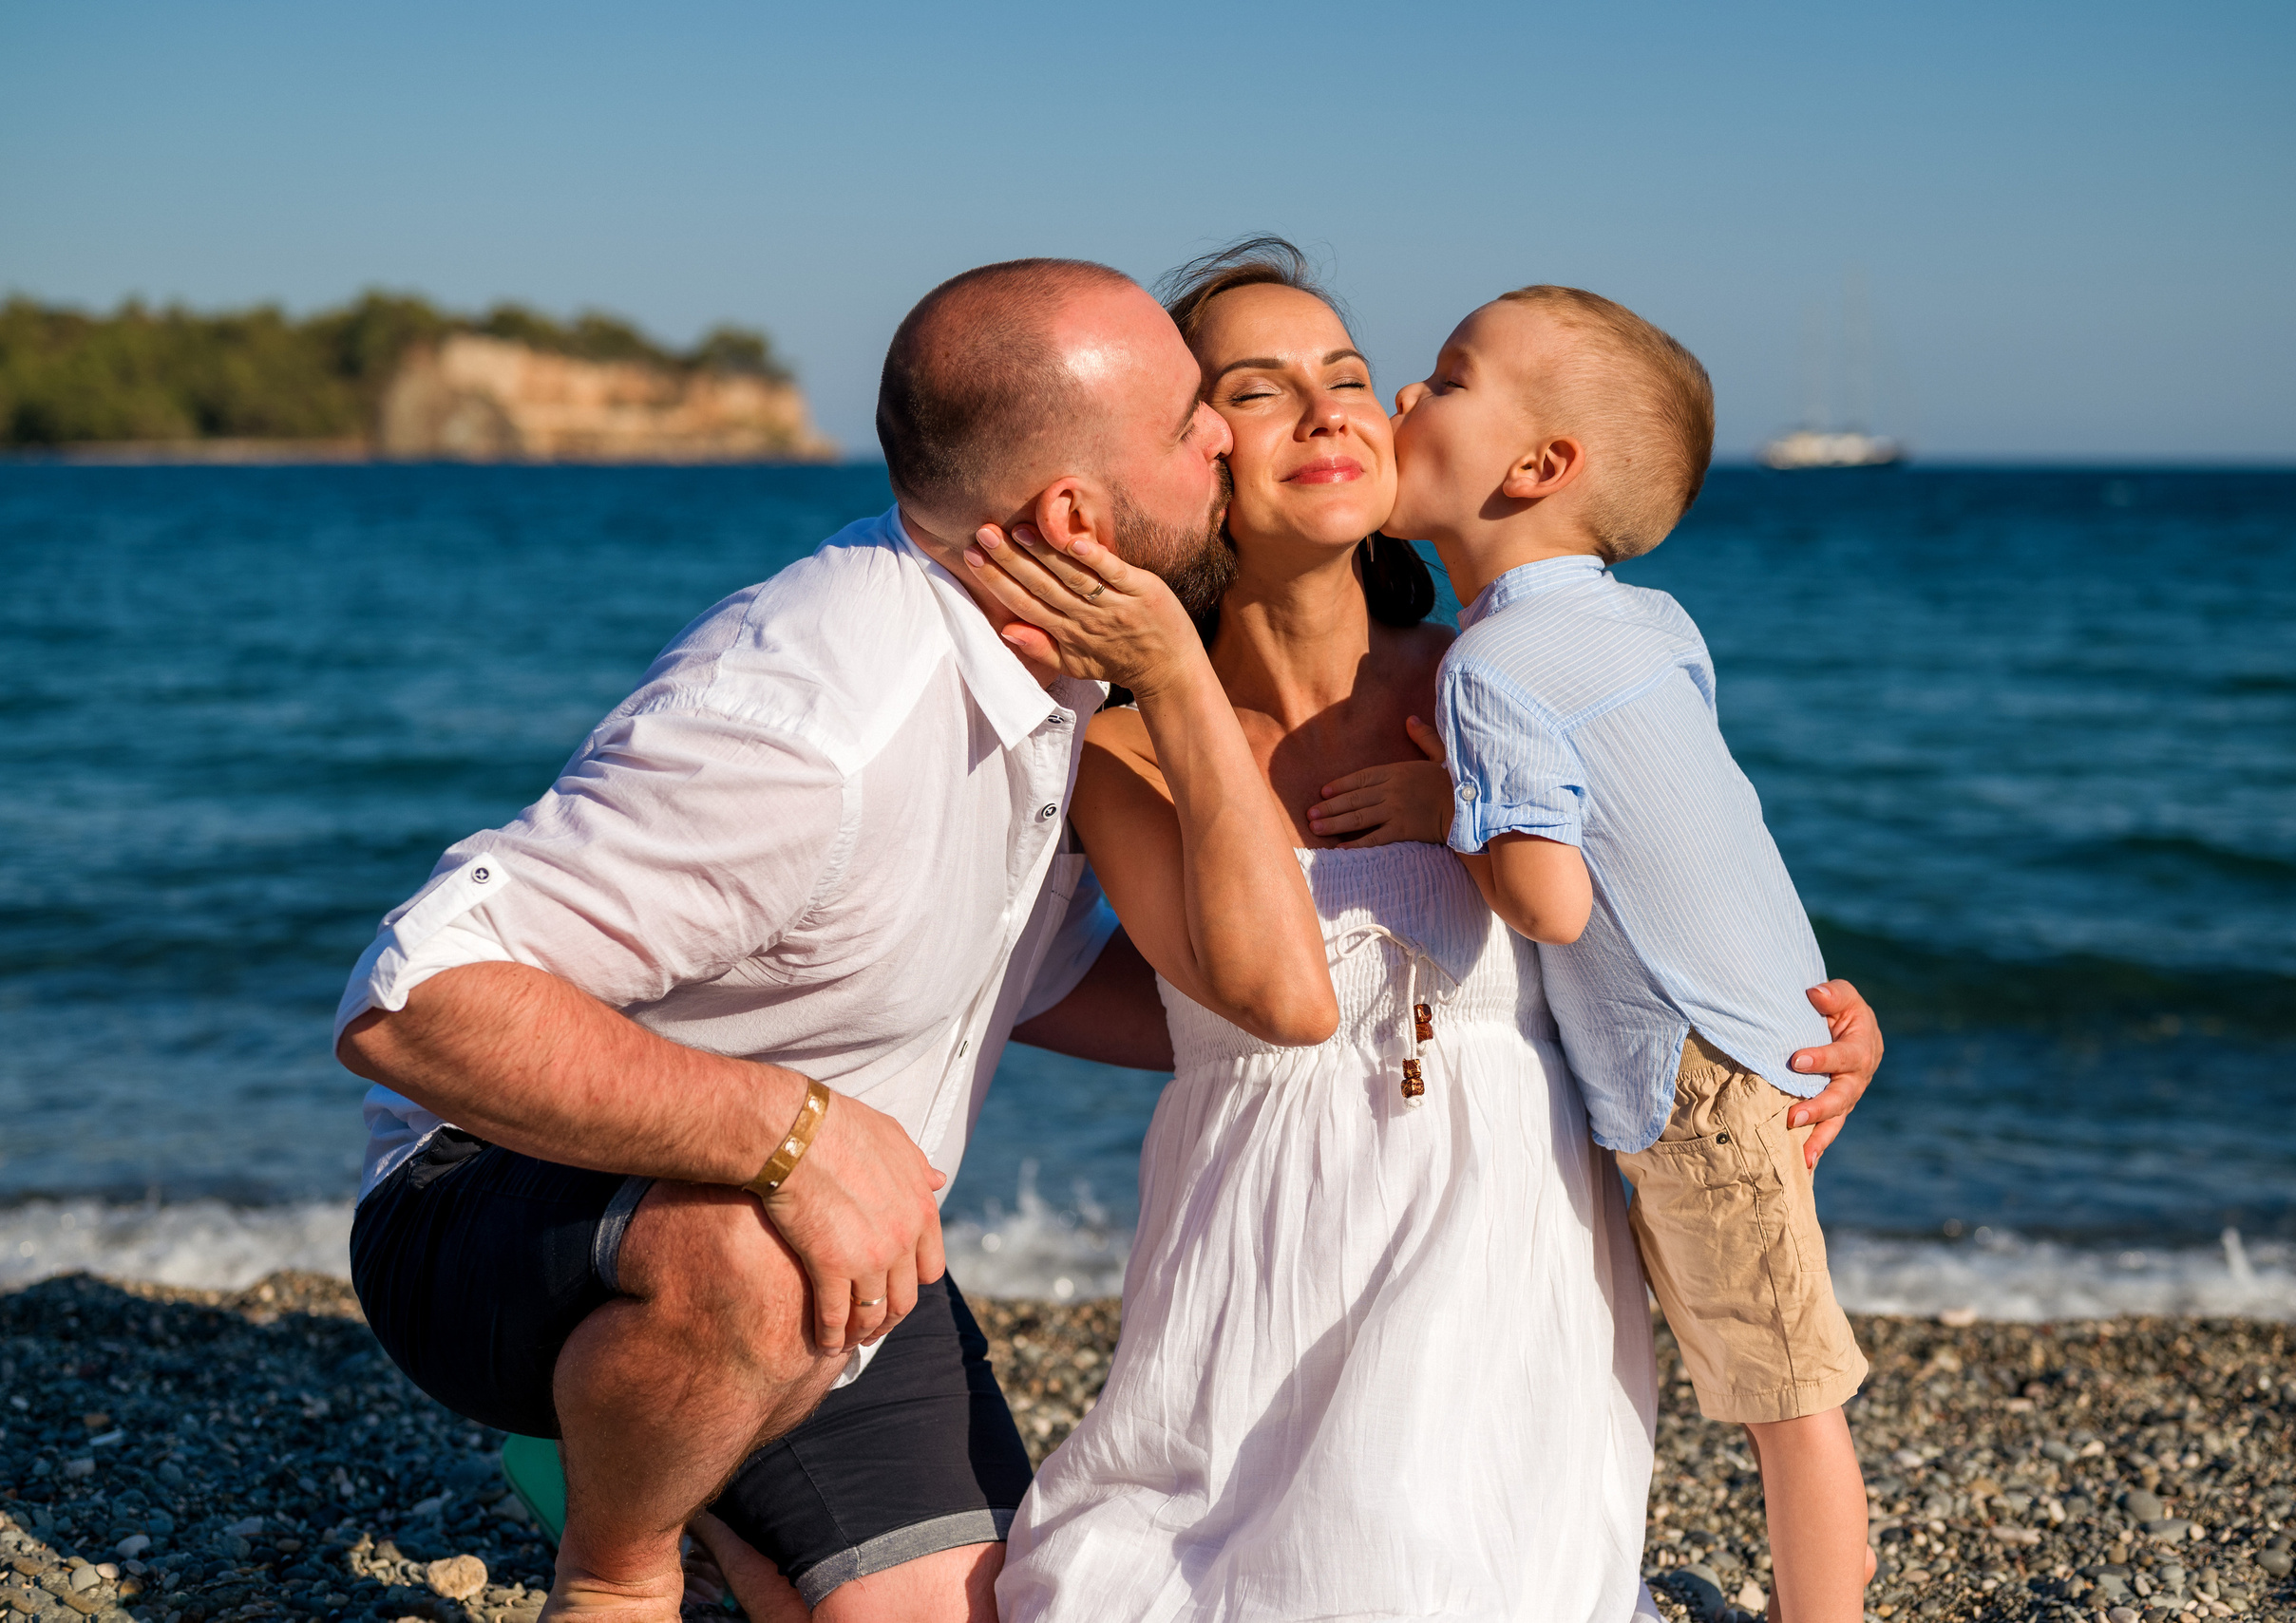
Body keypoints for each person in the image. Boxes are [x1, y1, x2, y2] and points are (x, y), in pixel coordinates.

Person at [332, 257, 1339, 1623]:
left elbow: (1056, 977)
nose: (1223, 431)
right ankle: (619, 1565)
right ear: (1071, 515)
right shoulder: (816, 722)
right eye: (1187, 424)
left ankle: (660, 1440)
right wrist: (787, 1129)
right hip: (499, 1206)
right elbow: (411, 999)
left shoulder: (1060, 666)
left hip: (842, 1262)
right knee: (744, 1262)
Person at [990, 240, 1887, 1621]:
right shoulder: (1123, 755)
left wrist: (1814, 1016)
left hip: (1498, 1248)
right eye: (1262, 388)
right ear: (1190, 455)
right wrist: (1169, 671)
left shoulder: (1488, 682)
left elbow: (1685, 871)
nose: (1338, 405)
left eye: (1348, 374)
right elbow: (1253, 992)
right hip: (1258, 1266)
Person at [1388, 284, 1877, 1620]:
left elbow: (1546, 900)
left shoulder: (1489, 669)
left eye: (1450, 373)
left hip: (1693, 1066)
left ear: (1540, 467)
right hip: (1755, 1029)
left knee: (1786, 1392)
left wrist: (1452, 809)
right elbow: (1712, 825)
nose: (1407, 395)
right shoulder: (1651, 623)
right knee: (1769, 1369)